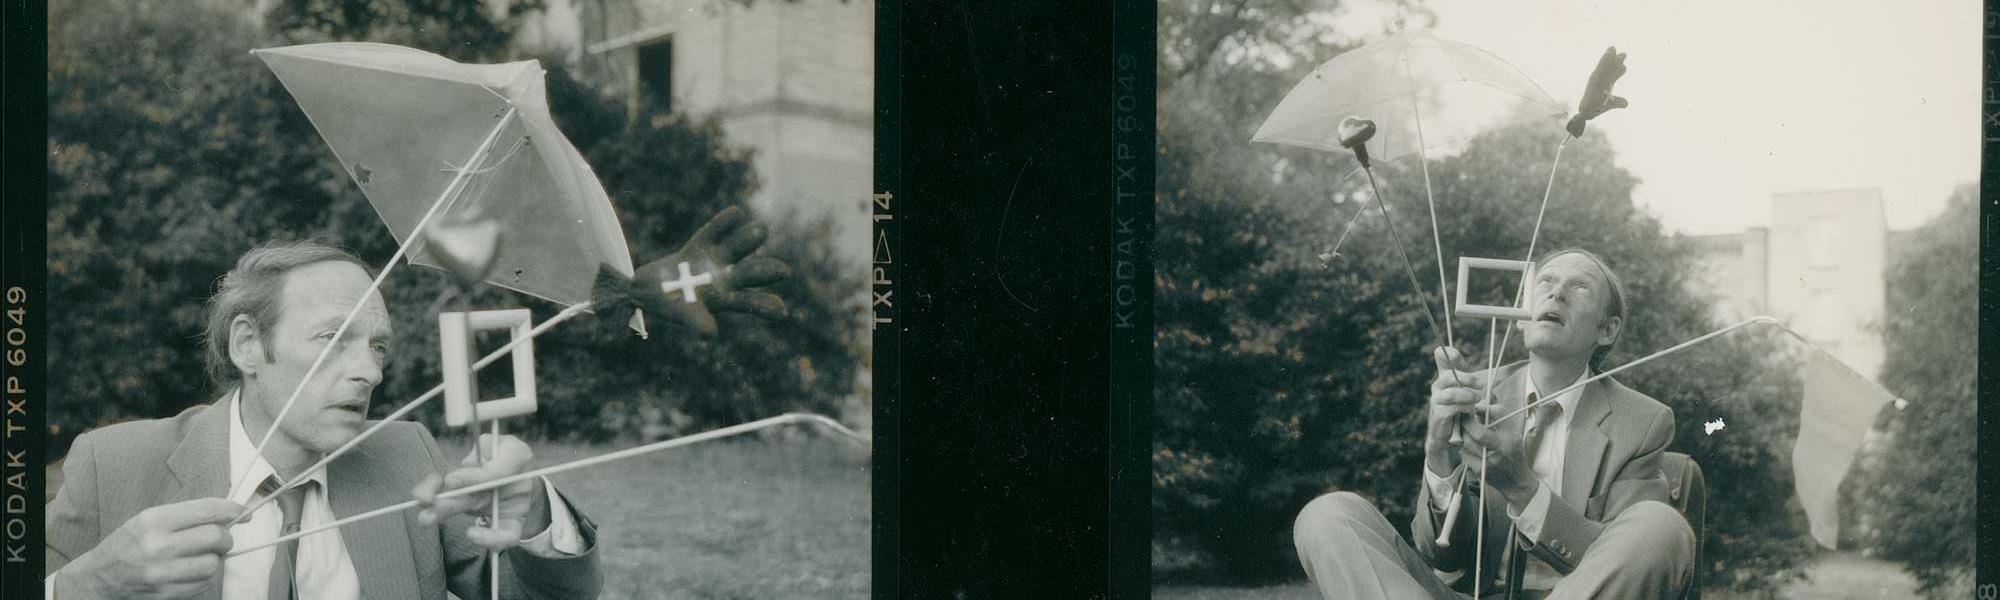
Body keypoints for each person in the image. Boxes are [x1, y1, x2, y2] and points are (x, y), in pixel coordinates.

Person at [45, 208, 782, 600]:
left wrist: (531, 517)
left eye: (379, 348)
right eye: (334, 340)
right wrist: (85, 587)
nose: (367, 371)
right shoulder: (112, 466)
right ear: (247, 344)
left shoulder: (408, 460)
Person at [1292, 249, 1695, 599]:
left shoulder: (1643, 421)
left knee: (1661, 528)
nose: (1556, 293)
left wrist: (1521, 486)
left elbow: (1625, 565)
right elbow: (1442, 557)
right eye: (1546, 283)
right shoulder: (1475, 392)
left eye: (1580, 287)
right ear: (1520, 318)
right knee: (1329, 514)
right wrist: (1438, 453)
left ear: (1607, 330)